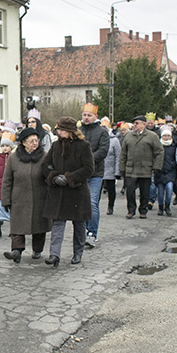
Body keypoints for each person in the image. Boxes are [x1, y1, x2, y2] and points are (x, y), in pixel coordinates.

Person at [41, 116, 94, 266]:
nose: (58, 132)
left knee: (79, 224)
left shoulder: (84, 146)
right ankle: (54, 254)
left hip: (77, 191)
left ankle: (78, 253)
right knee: (57, 224)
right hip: (58, 191)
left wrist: (70, 178)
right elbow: (46, 164)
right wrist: (54, 176)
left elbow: (89, 168)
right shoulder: (56, 145)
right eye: (58, 129)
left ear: (70, 131)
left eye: (61, 130)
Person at [0, 127, 49, 263]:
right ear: (23, 143)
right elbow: (7, 180)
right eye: (31, 141)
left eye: (36, 140)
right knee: (17, 226)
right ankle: (16, 251)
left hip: (40, 197)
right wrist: (5, 199)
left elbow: (50, 176)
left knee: (39, 226)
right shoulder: (14, 158)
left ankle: (37, 249)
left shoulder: (44, 156)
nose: (35, 143)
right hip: (19, 199)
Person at [119, 115, 164, 219]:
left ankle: (143, 210)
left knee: (144, 192)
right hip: (131, 168)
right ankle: (131, 210)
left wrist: (157, 166)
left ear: (144, 124)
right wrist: (122, 168)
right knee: (129, 191)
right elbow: (123, 154)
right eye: (134, 123)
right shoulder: (129, 136)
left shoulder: (152, 136)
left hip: (145, 169)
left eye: (137, 123)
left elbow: (159, 152)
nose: (135, 125)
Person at [78, 103, 109, 248]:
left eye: (89, 115)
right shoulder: (78, 131)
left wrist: (87, 160)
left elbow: (103, 151)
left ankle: (92, 233)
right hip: (80, 173)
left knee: (92, 203)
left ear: (95, 116)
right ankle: (82, 231)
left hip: (95, 173)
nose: (86, 117)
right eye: (84, 115)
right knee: (80, 204)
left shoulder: (102, 132)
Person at [153, 125, 177, 216]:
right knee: (160, 191)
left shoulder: (174, 146)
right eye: (164, 136)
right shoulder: (158, 146)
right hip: (159, 171)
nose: (166, 138)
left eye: (168, 136)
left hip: (170, 171)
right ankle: (161, 207)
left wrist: (173, 165)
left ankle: (167, 206)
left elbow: (176, 158)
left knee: (169, 188)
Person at [100, 118, 121, 215]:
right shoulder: (98, 139)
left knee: (111, 189)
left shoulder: (114, 140)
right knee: (96, 190)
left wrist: (117, 171)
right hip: (99, 169)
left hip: (110, 169)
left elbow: (118, 156)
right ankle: (95, 206)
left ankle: (110, 206)